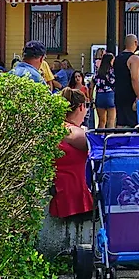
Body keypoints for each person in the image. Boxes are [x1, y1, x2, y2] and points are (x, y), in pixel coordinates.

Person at [48, 88, 95, 256]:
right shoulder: (73, 132)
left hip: (61, 188)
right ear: (81, 107)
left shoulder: (55, 127)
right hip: (75, 192)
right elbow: (96, 145)